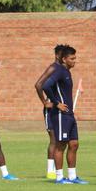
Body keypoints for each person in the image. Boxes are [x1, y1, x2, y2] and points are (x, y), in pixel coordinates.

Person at [41, 45, 87, 185]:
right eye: (71, 58)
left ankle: (72, 176)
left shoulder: (67, 72)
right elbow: (45, 85)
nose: (74, 61)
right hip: (61, 115)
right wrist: (56, 103)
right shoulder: (59, 71)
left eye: (75, 58)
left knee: (74, 144)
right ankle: (59, 177)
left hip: (69, 114)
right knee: (60, 145)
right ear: (64, 59)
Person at [35, 44, 66, 179]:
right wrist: (44, 101)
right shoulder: (53, 68)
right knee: (54, 139)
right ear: (58, 55)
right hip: (51, 108)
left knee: (60, 139)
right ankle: (50, 171)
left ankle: (57, 170)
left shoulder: (62, 70)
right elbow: (38, 84)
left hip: (59, 108)